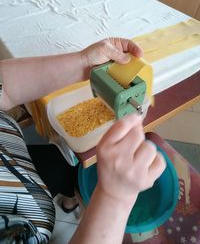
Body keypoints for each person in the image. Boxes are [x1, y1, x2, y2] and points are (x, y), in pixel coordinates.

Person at [0, 37, 166, 244]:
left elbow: (3, 88)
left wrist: (84, 63)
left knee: (68, 165)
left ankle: (69, 202)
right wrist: (115, 197)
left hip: (17, 163)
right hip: (29, 200)